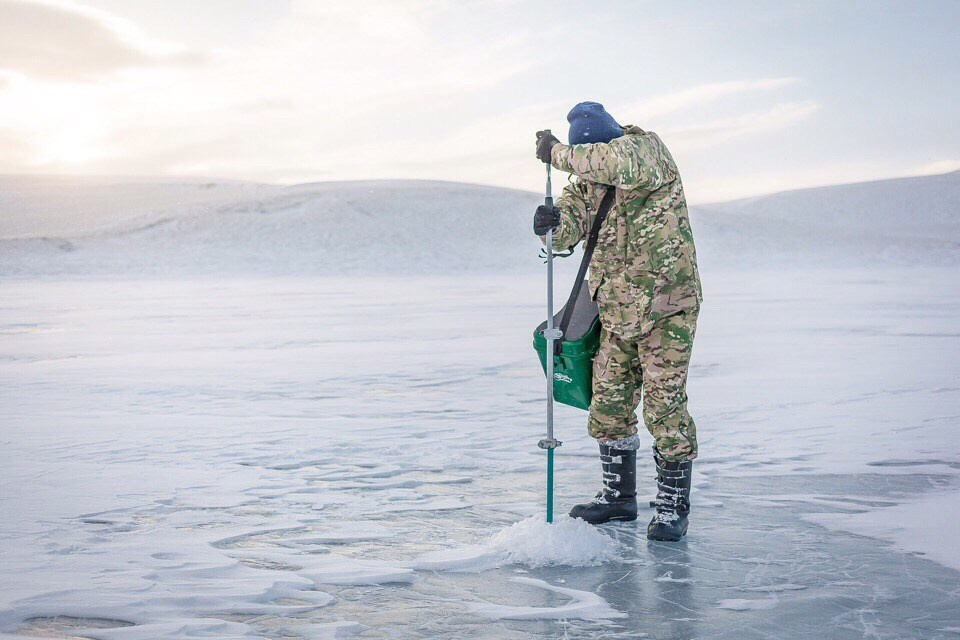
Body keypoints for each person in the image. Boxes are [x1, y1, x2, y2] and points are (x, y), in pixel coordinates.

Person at [534, 102, 702, 541]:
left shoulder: (645, 151)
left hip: (667, 308)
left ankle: (672, 507)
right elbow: (566, 232)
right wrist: (551, 225)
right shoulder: (587, 185)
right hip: (614, 310)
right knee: (608, 406)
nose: (587, 165)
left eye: (590, 151)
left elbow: (613, 162)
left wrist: (556, 152)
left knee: (665, 407)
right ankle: (618, 498)